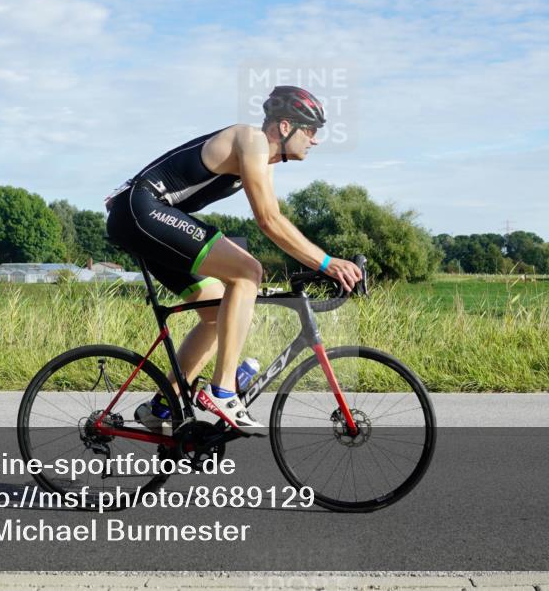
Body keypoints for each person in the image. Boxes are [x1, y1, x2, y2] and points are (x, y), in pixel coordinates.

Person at [105, 86, 362, 433]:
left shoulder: (263, 162)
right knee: (247, 271)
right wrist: (326, 262)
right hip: (143, 210)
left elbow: (278, 219)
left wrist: (319, 260)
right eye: (311, 131)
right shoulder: (252, 140)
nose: (315, 141)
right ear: (285, 127)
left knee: (216, 314)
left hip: (142, 215)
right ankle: (223, 390)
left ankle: (162, 407)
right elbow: (267, 222)